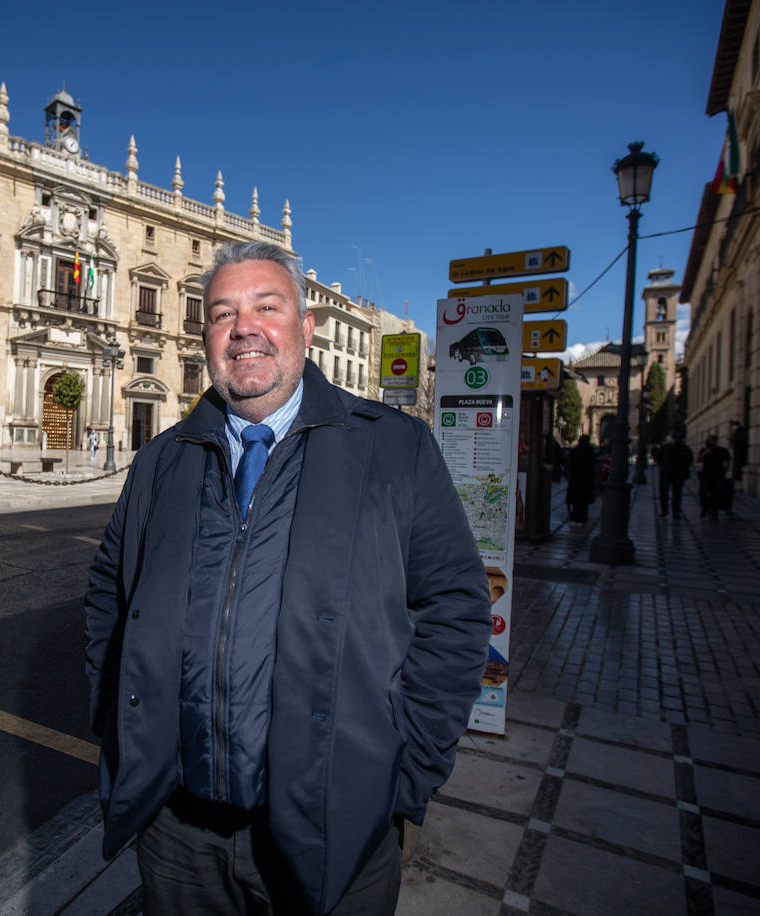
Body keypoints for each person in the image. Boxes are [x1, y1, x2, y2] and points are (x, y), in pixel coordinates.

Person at [84, 241, 491, 915]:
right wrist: (117, 726)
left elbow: (457, 609)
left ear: (306, 327)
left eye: (266, 308)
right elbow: (109, 595)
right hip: (177, 832)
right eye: (222, 313)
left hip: (337, 826)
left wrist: (405, 770)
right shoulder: (161, 461)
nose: (243, 328)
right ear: (207, 336)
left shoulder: (392, 447)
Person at [655, 430, 694, 518]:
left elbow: (689, 460)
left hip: (678, 474)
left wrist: (683, 469)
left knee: (677, 494)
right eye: (675, 438)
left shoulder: (685, 449)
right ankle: (665, 511)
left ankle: (675, 511)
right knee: (664, 493)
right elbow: (658, 457)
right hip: (666, 473)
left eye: (678, 438)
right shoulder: (665, 448)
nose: (676, 440)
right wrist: (663, 465)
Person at [697, 433, 732, 520]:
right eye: (708, 440)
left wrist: (726, 471)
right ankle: (705, 507)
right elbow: (698, 460)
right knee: (702, 492)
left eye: (710, 440)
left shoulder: (722, 450)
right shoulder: (704, 450)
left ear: (715, 441)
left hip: (718, 475)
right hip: (706, 474)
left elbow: (728, 461)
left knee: (716, 494)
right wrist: (704, 453)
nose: (708, 441)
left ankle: (714, 511)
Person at [565, 434, 597, 523]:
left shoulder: (575, 450)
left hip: (576, 478)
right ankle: (583, 517)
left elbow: (569, 464)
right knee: (584, 501)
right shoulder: (590, 451)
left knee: (576, 499)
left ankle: (576, 516)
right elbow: (593, 463)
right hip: (586, 479)